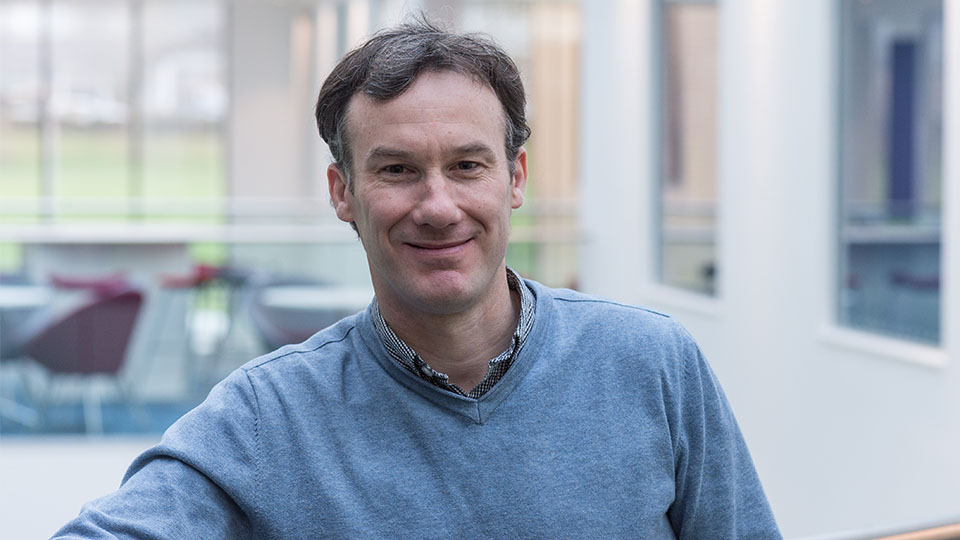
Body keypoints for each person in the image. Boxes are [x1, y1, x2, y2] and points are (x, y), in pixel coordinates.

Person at [52, 19, 781, 539]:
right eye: (398, 170)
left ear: (514, 178)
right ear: (343, 192)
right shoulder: (268, 417)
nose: (438, 207)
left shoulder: (652, 363)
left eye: (467, 165)